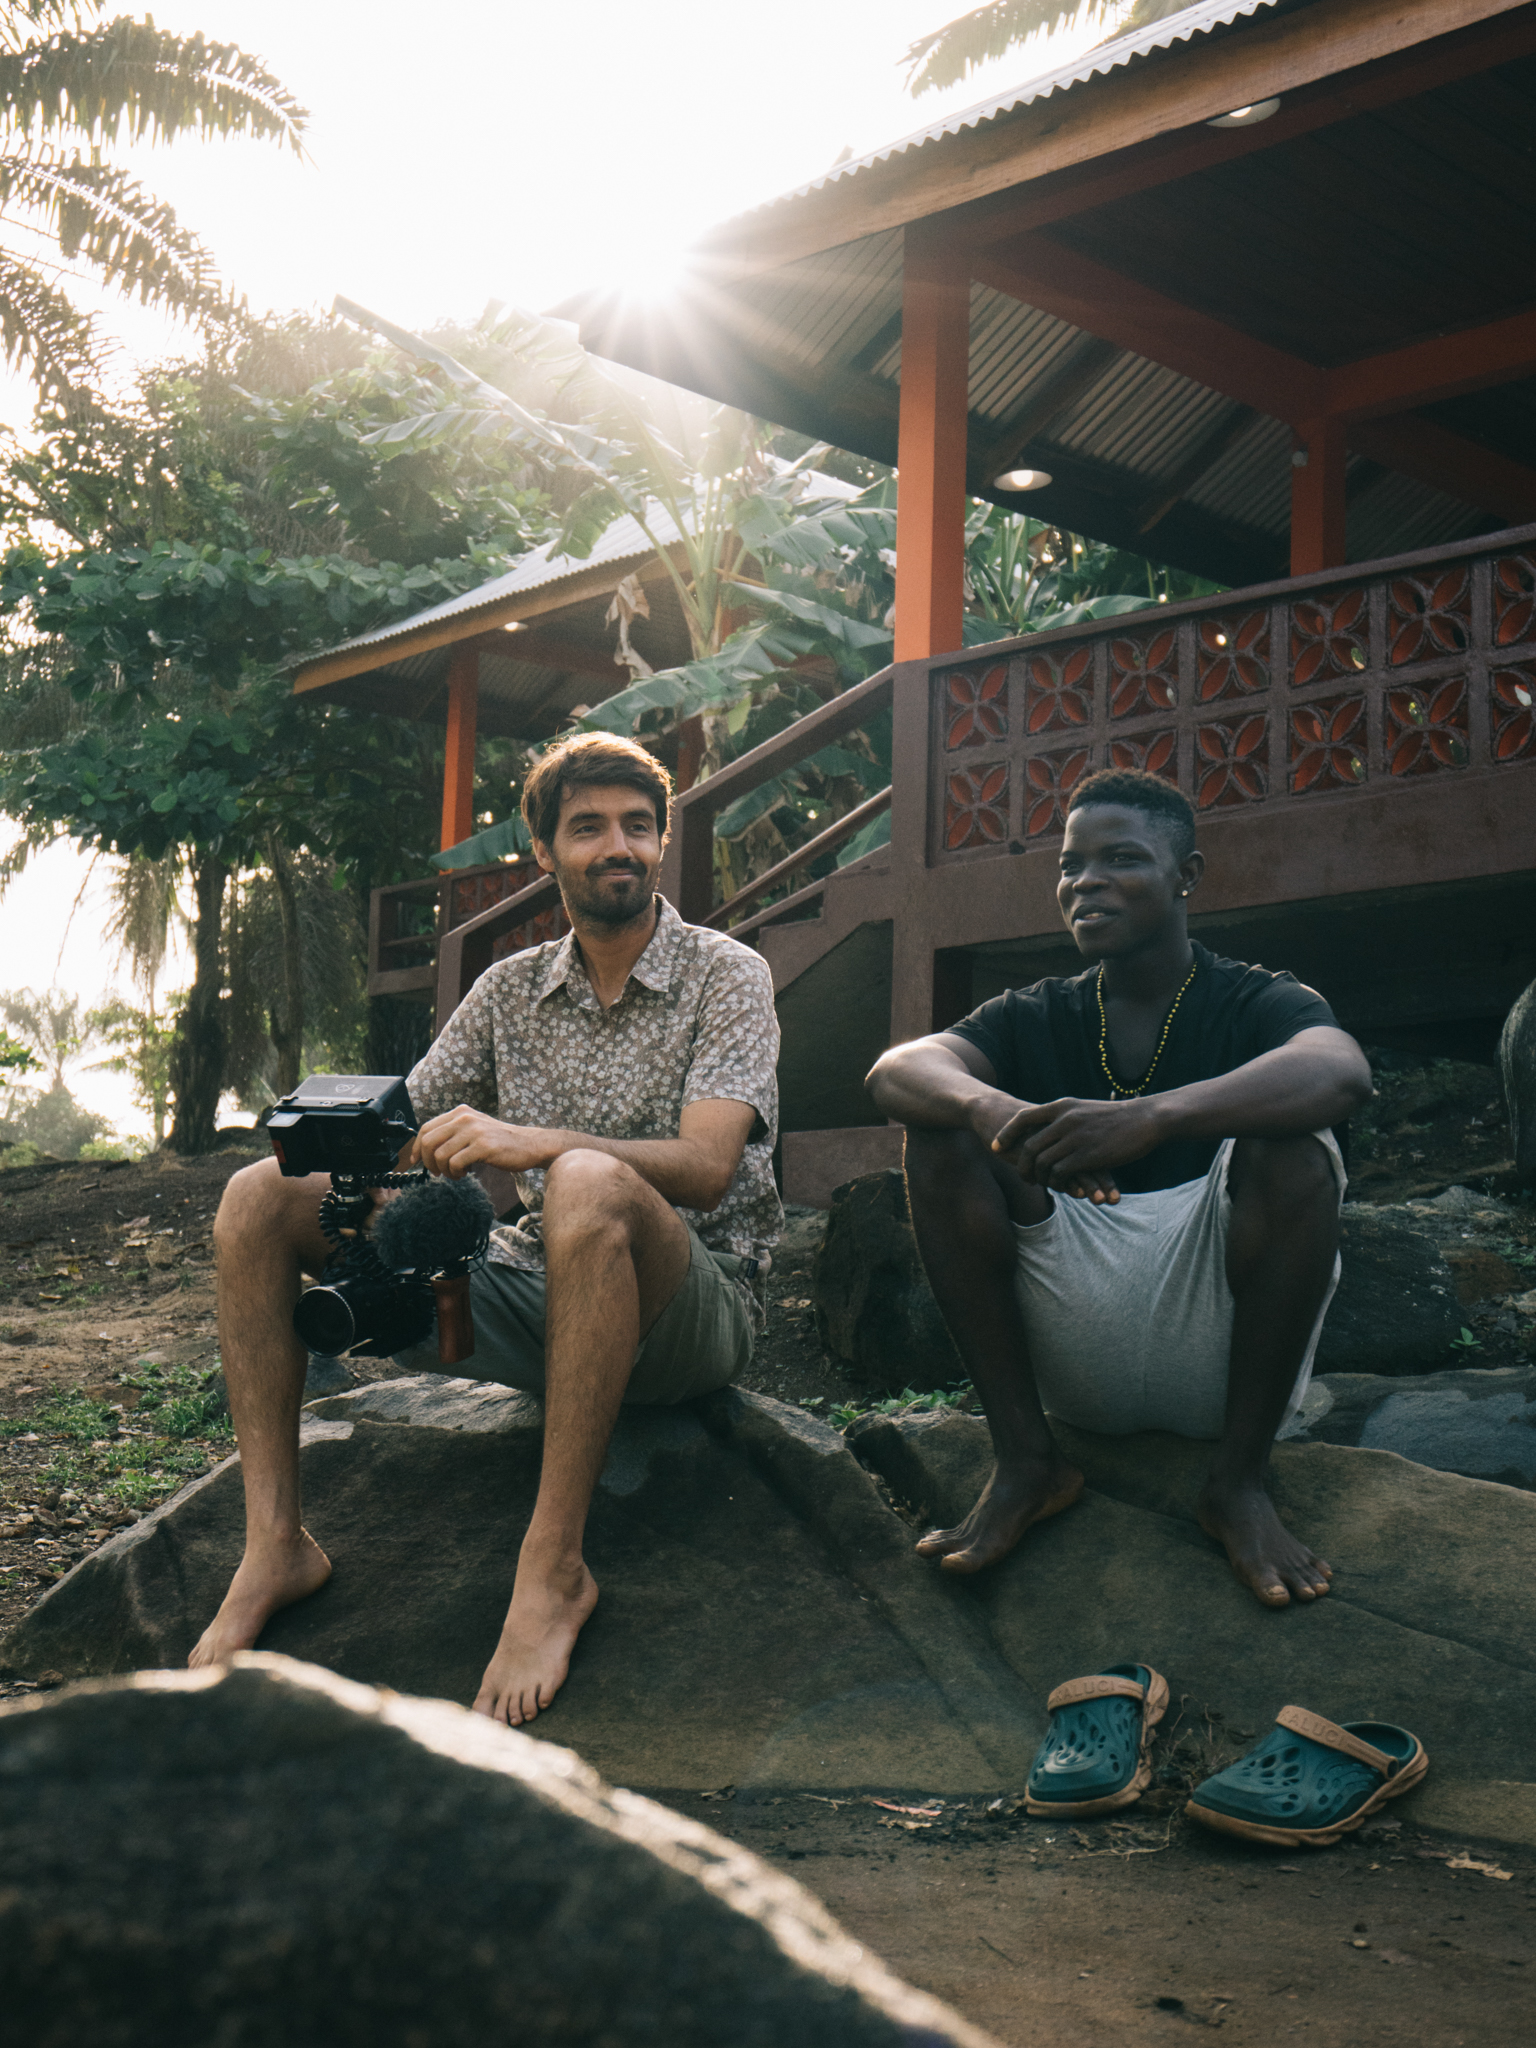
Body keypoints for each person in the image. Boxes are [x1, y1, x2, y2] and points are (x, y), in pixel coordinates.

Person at [191, 732, 781, 1723]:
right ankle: (276, 1542)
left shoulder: (729, 973)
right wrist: (375, 1181)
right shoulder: (507, 990)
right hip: (546, 1289)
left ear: (662, 842)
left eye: (638, 826)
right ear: (545, 852)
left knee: (587, 1178)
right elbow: (402, 1129)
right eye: (587, 827)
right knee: (259, 1194)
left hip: (694, 1304)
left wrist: (530, 1142)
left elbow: (710, 1166)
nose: (618, 847)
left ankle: (553, 1568)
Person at [867, 768, 1372, 1609]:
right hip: (1076, 1339)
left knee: (1295, 1148)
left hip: (1220, 1348)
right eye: (1071, 865)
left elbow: (1340, 1070)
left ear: (1188, 877)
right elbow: (897, 1070)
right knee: (941, 1130)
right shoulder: (1038, 1013)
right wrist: (997, 1110)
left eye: (1121, 858)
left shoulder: (1253, 998)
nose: (1086, 881)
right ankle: (1028, 1464)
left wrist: (1153, 1119)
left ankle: (1238, 1485)